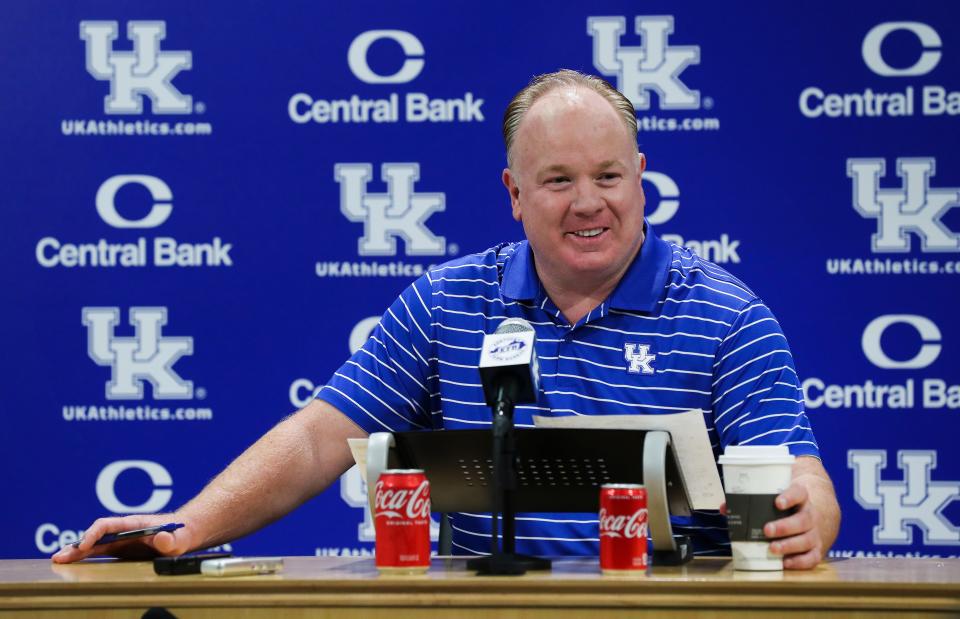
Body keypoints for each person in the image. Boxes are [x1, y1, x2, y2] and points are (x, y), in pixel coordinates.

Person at [54, 70, 840, 569]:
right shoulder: (449, 302)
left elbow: (796, 471)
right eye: (558, 179)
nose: (589, 202)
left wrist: (812, 510)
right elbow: (322, 435)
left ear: (641, 179)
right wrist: (185, 526)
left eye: (608, 175)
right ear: (514, 194)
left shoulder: (727, 314)